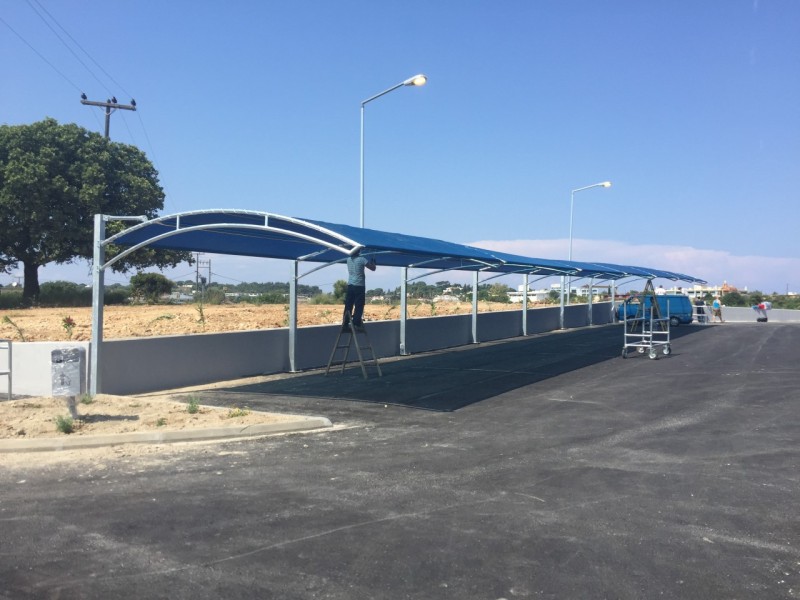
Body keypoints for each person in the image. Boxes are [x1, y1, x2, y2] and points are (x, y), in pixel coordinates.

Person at [343, 248, 376, 329]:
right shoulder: (362, 259)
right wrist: (373, 262)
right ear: (358, 251)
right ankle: (356, 323)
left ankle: (345, 322)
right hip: (359, 286)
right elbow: (373, 268)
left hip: (350, 285)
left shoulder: (348, 260)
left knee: (348, 304)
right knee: (359, 304)